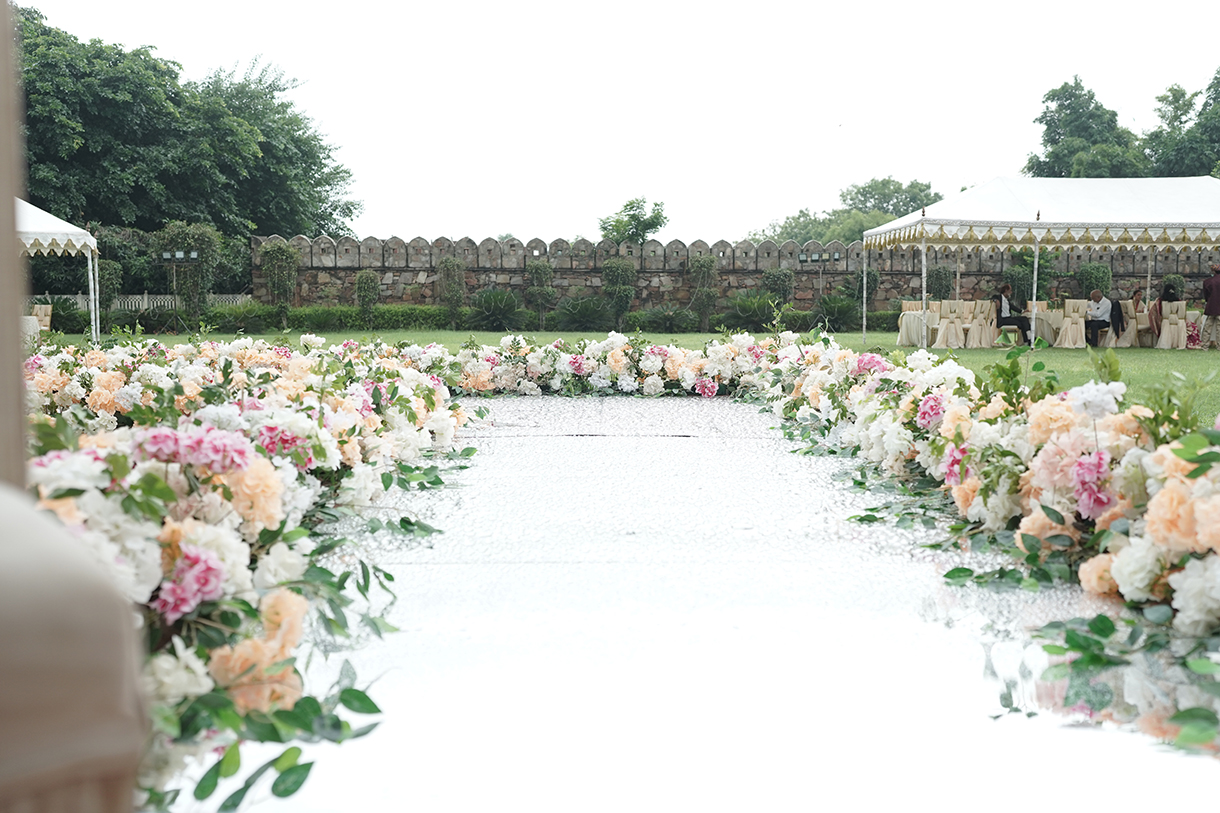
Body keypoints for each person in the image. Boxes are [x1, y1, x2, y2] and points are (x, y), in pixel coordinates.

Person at [1202, 264, 1220, 349]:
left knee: (1207, 328)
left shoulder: (1207, 282)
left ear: (1213, 271)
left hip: (1211, 307)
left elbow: (1206, 296)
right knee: (1219, 329)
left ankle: (1205, 345)